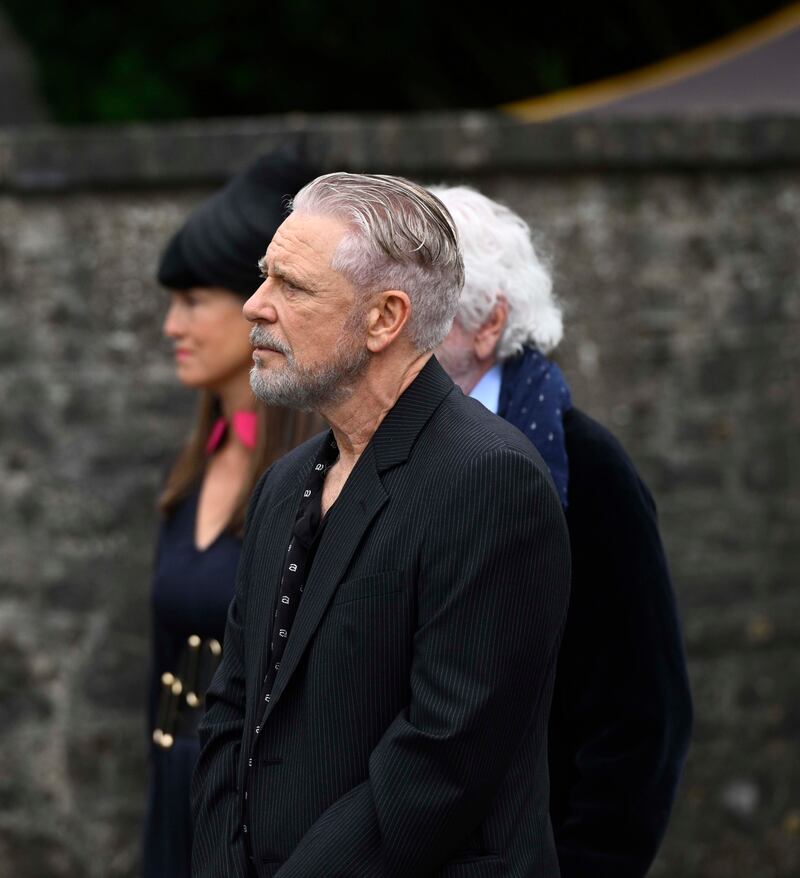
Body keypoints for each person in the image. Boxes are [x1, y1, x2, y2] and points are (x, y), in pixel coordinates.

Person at [191, 173, 572, 878]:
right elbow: (231, 710)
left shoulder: (490, 482)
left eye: (292, 287)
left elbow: (442, 756)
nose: (255, 306)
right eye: (263, 277)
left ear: (384, 318)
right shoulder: (283, 484)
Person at [431, 184, 693, 878]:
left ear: (489, 324)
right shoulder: (369, 456)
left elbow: (641, 720)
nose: (386, 334)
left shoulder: (584, 468)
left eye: (424, 314)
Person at [144, 148, 323, 878]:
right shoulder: (191, 471)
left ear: (256, 302)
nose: (169, 326)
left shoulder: (318, 480)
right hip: (172, 799)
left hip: (261, 822)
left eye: (191, 300)